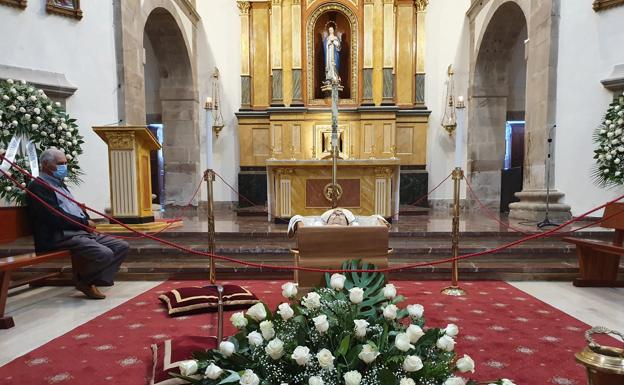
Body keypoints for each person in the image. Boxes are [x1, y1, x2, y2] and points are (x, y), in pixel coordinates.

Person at [26, 148, 128, 299]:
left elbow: (73, 207)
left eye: (65, 163)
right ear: (46, 165)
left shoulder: (59, 184)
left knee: (121, 246)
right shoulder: (38, 187)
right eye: (60, 163)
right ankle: (85, 281)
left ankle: (92, 280)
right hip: (59, 235)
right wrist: (83, 222)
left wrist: (85, 221)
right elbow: (55, 217)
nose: (64, 167)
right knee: (104, 254)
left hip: (78, 231)